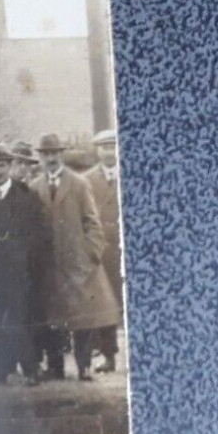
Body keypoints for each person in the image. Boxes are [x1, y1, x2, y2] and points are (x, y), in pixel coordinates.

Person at [30, 133, 121, 381]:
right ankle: (56, 366)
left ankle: (84, 367)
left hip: (77, 261)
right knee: (53, 317)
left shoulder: (79, 183)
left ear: (62, 155)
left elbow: (92, 222)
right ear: (40, 157)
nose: (51, 158)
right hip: (49, 263)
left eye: (55, 154)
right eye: (46, 154)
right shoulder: (35, 186)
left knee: (82, 316)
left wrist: (91, 254)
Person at [0, 144, 47, 385]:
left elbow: (40, 232)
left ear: (10, 166)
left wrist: (21, 252)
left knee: (20, 320)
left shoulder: (26, 195)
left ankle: (31, 369)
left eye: (2, 165)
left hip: (18, 269)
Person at [85, 129, 123, 372]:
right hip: (101, 249)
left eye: (113, 147)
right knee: (105, 303)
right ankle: (108, 357)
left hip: (124, 247)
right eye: (104, 147)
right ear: (97, 151)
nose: (109, 152)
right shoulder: (86, 180)